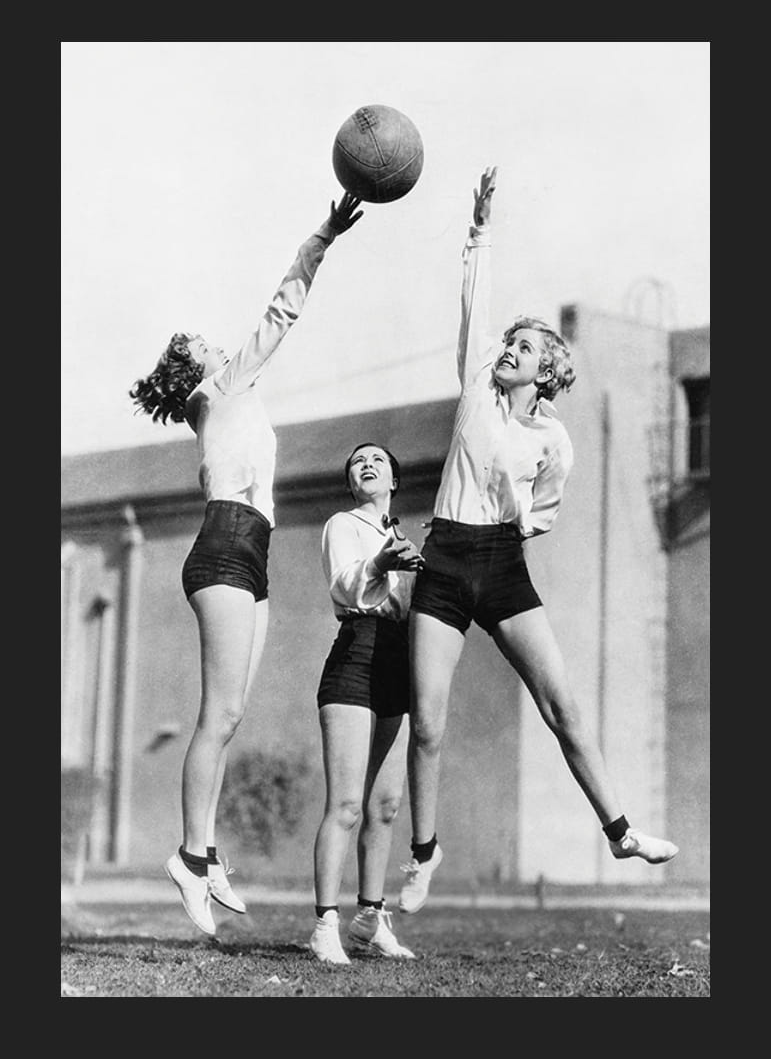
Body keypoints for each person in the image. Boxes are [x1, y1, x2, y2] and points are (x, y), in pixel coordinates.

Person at [398, 167, 678, 915]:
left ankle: (619, 832)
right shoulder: (474, 396)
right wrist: (479, 231)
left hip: (502, 564)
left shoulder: (553, 439)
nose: (508, 350)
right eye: (508, 343)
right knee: (427, 721)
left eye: (523, 345)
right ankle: (424, 854)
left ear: (549, 367)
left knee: (564, 709)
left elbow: (544, 510)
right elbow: (474, 306)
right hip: (446, 558)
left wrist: (515, 524)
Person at [128, 192, 364, 936]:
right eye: (203, 342)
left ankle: (206, 852)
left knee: (230, 718)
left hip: (250, 549)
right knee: (218, 713)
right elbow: (281, 310)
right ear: (194, 367)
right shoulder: (221, 387)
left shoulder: (225, 396)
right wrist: (323, 234)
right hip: (227, 544)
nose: (219, 343)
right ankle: (191, 859)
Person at [309, 443, 424, 964]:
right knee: (347, 804)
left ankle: (371, 920)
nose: (368, 465)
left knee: (385, 805)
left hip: (397, 660)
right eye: (357, 462)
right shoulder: (342, 524)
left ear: (394, 480)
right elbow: (346, 587)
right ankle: (325, 924)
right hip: (355, 655)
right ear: (352, 481)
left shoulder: (403, 538)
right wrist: (382, 561)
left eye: (378, 460)